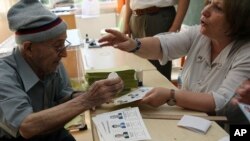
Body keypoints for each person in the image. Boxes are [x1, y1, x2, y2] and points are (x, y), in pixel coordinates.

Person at [99, 0, 250, 123]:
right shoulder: (199, 33)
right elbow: (162, 45)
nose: (205, 11)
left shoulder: (246, 53)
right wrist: (133, 44)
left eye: (217, 8)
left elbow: (220, 101)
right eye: (208, 2)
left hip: (219, 128)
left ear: (238, 19)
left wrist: (171, 95)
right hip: (189, 118)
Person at [0, 0, 123, 140]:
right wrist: (87, 100)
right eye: (58, 46)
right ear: (29, 48)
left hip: (52, 133)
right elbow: (26, 126)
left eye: (64, 44)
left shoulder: (50, 63)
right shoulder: (4, 75)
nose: (64, 54)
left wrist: (97, 95)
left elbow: (63, 95)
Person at [123, 0, 190, 80]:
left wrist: (175, 27)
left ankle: (162, 92)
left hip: (160, 16)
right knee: (139, 69)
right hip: (135, 18)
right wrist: (126, 22)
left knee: (159, 72)